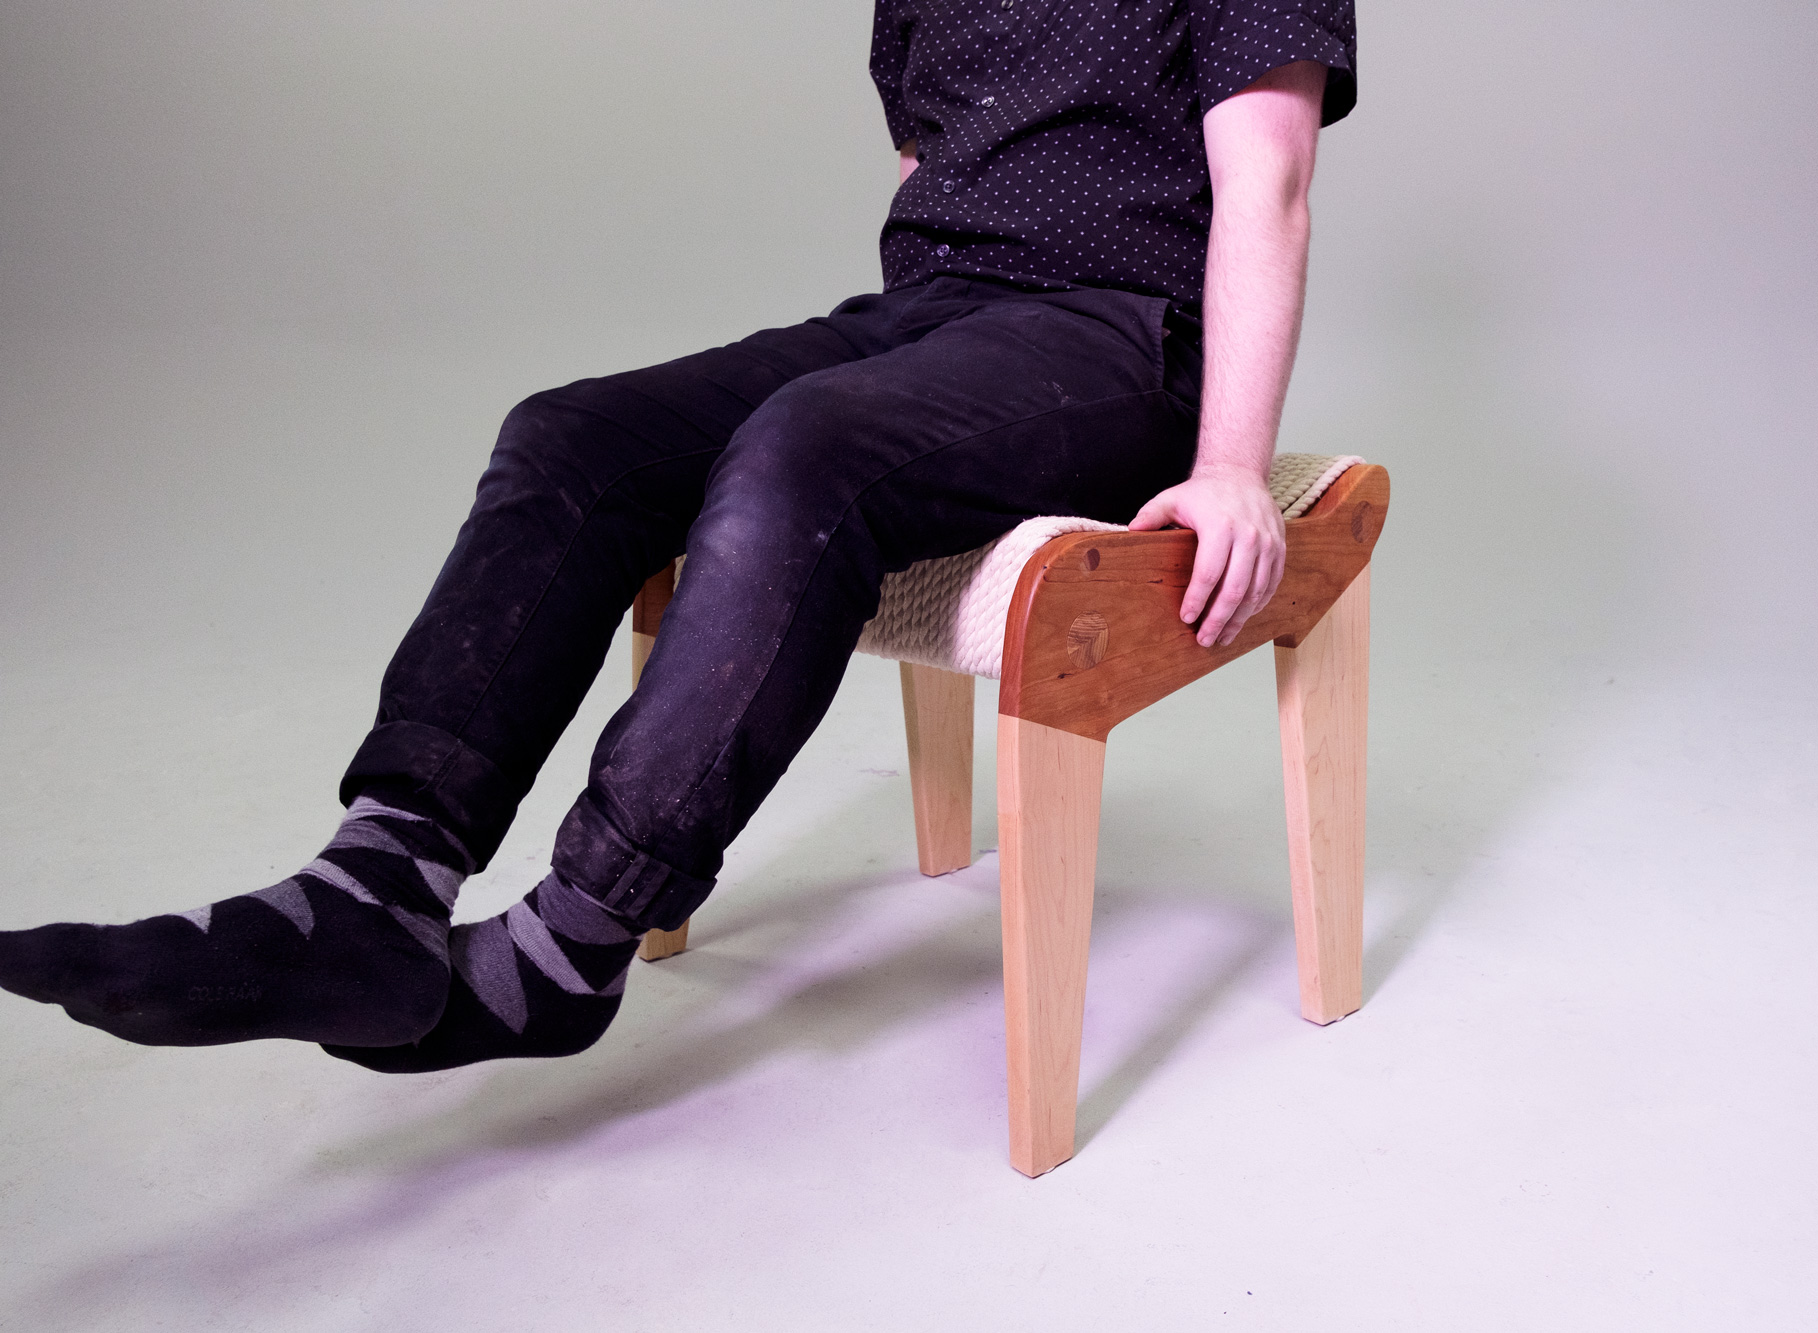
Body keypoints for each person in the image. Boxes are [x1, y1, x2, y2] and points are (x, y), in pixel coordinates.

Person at [0, 2, 1356, 1071]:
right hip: (937, 314)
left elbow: (1270, 179)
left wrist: (1232, 463)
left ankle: (575, 938)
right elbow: (928, 164)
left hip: (1123, 336)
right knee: (573, 438)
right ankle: (376, 880)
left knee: (805, 446)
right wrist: (921, 374)